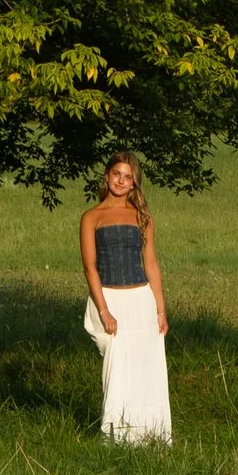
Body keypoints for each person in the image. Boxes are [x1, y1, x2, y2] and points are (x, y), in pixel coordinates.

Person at [78, 150, 172, 445]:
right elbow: (90, 267)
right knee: (117, 369)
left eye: (127, 176)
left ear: (134, 183)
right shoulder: (91, 217)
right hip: (110, 299)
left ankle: (151, 436)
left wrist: (160, 310)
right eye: (116, 174)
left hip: (141, 300)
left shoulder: (142, 217)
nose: (121, 180)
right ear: (106, 177)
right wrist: (104, 310)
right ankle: (116, 436)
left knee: (147, 367)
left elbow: (152, 264)